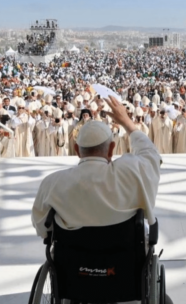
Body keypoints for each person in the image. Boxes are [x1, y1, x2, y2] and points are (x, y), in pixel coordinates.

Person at [32, 94, 161, 241]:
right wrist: (126, 122)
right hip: (127, 259)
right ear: (112, 149)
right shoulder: (131, 172)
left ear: (77, 150)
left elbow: (41, 227)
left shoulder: (52, 184)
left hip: (71, 260)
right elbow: (151, 155)